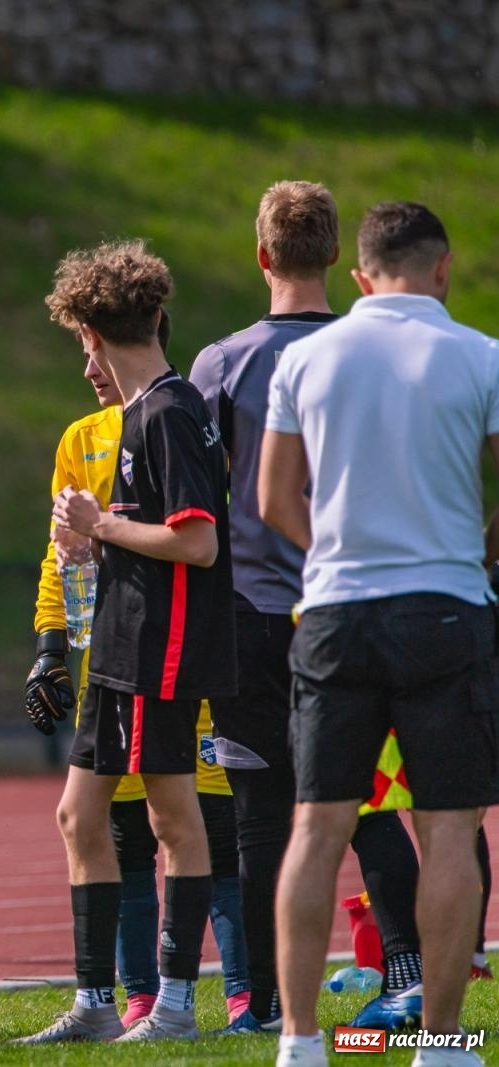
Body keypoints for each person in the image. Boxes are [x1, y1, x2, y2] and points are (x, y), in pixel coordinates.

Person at [189, 179, 431, 1034]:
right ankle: (405, 973)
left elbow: (200, 499)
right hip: (355, 603)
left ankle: (258, 1000)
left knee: (260, 816)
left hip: (252, 612)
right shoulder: (373, 353)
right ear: (333, 254)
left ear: (262, 255)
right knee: (369, 802)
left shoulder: (222, 363)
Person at [260, 201, 499, 1067]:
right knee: (448, 829)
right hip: (444, 605)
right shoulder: (481, 355)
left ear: (359, 277)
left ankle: (299, 1042)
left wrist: (334, 552)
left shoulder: (308, 356)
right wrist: (477, 549)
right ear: (443, 269)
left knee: (317, 826)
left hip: (336, 611)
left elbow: (272, 498)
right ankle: (441, 1045)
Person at [15, 239, 234, 1045]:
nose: (84, 365)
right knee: (79, 816)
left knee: (174, 819)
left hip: (157, 648)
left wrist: (101, 524)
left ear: (96, 334)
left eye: (82, 344)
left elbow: (198, 543)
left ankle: (173, 1006)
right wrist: (93, 544)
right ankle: (95, 1003)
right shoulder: (146, 412)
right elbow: (155, 537)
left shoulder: (170, 412)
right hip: (116, 645)